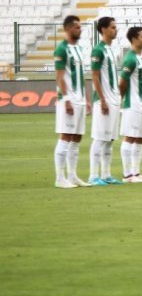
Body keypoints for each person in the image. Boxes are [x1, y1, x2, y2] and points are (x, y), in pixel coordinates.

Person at [53, 15, 91, 188]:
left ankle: (73, 175)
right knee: (65, 137)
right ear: (68, 29)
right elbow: (59, 77)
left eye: (80, 27)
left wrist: (87, 98)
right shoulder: (61, 49)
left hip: (80, 99)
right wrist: (66, 99)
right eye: (77, 27)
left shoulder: (78, 49)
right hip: (68, 100)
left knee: (76, 138)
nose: (80, 29)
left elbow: (81, 76)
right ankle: (60, 178)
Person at [88, 16, 123, 186]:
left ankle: (106, 174)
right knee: (100, 138)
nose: (115, 30)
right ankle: (93, 176)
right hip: (104, 101)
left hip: (114, 100)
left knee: (110, 140)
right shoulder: (98, 50)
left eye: (115, 27)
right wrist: (102, 100)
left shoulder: (110, 50)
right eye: (112, 27)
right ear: (103, 29)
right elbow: (94, 77)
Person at [119, 26, 142, 183]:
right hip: (133, 104)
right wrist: (122, 99)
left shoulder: (141, 58)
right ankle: (127, 174)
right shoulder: (130, 58)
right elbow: (122, 82)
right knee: (130, 137)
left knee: (139, 138)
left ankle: (136, 172)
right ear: (134, 39)